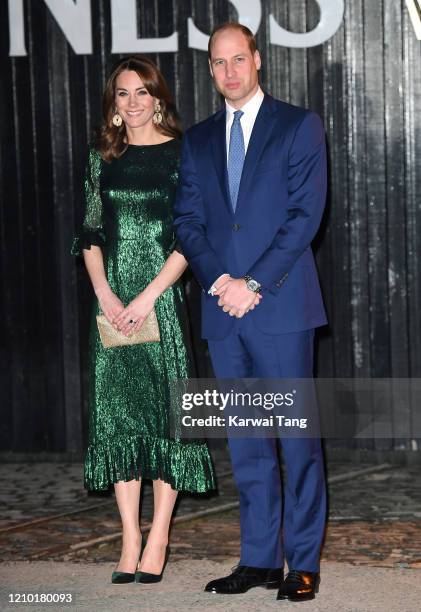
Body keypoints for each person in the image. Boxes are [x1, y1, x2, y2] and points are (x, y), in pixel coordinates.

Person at [174, 23, 327, 602]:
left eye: (239, 59)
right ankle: (259, 559)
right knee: (246, 442)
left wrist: (253, 282)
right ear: (210, 69)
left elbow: (304, 216)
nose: (230, 71)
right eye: (219, 63)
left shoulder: (298, 125)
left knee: (297, 442)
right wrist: (219, 282)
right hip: (222, 310)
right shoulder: (198, 139)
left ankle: (303, 562)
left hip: (280, 306)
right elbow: (187, 221)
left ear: (257, 60)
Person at [72, 55, 215, 585]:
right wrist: (107, 295)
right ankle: (130, 535)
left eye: (141, 92)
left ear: (159, 98)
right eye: (122, 94)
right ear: (113, 104)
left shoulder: (184, 154)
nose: (132, 103)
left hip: (161, 306)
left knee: (167, 417)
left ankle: (159, 536)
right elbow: (88, 231)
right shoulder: (101, 156)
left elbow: (189, 237)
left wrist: (150, 296)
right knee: (120, 419)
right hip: (110, 308)